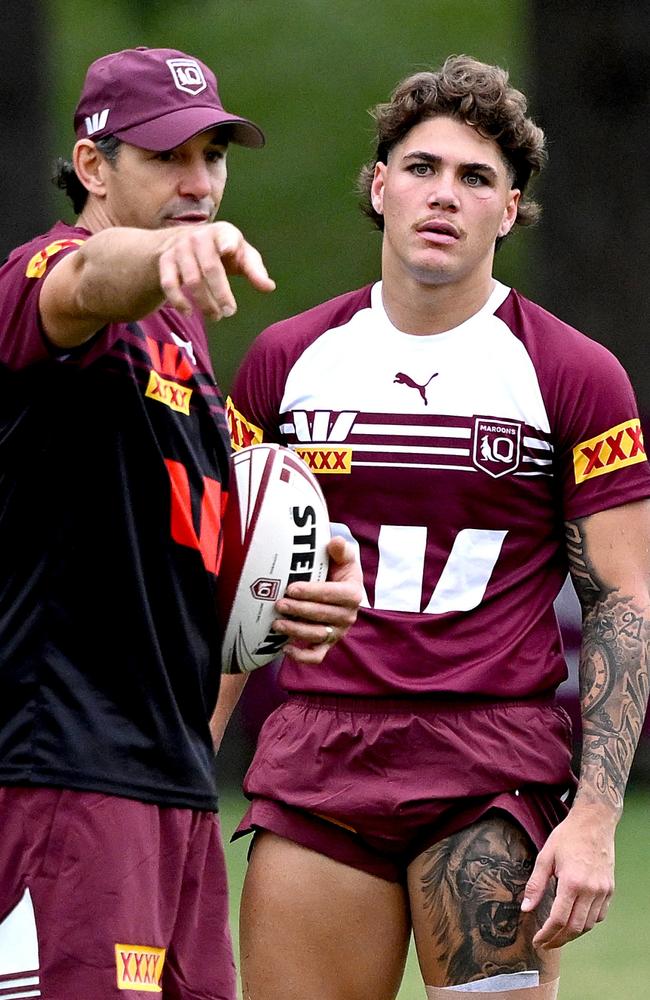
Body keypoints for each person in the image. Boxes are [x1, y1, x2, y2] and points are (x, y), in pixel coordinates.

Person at [226, 55, 650, 999]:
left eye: (476, 178)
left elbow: (622, 600)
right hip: (316, 756)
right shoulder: (286, 363)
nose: (443, 195)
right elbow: (227, 586)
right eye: (421, 168)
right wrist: (176, 781)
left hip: (490, 759)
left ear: (510, 210)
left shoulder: (574, 375)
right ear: (380, 185)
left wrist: (594, 816)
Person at [0, 46, 360, 1000]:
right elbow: (84, 282)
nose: (200, 184)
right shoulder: (54, 281)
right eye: (167, 157)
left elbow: (185, 560)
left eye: (215, 155)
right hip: (67, 781)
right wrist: (158, 256)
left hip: (180, 782)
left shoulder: (182, 332)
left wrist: (289, 585)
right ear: (92, 168)